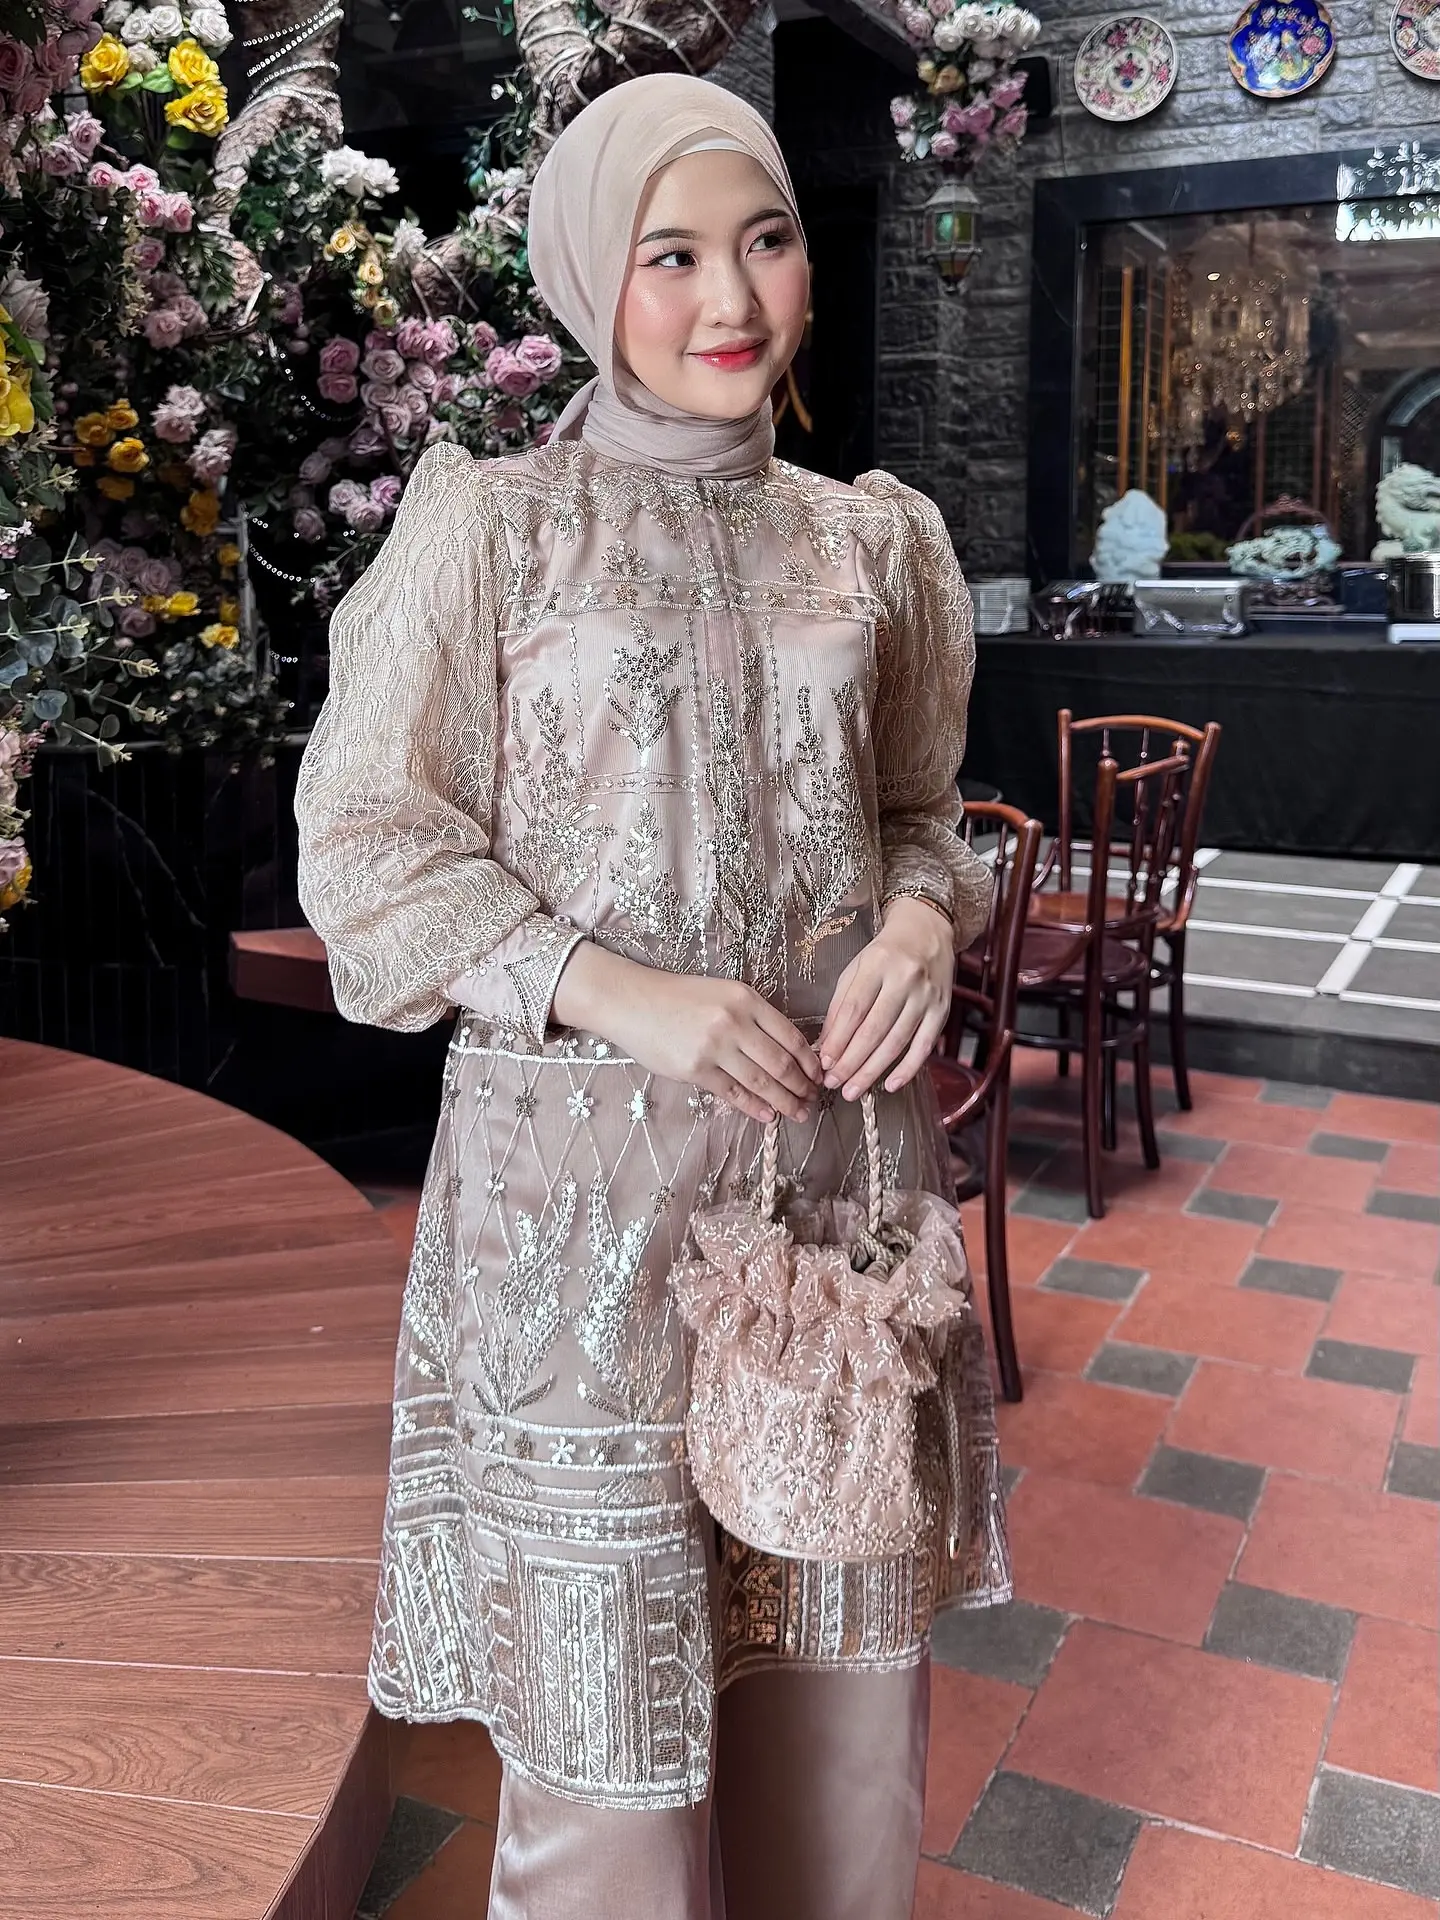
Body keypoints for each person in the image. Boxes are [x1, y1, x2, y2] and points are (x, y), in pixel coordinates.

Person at [295, 71, 1010, 1920]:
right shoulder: (494, 532)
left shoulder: (870, 542)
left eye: (764, 241)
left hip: (834, 1205)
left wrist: (921, 926)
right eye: (670, 254)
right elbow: (369, 852)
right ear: (585, 273)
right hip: (581, 1231)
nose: (731, 299)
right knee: (605, 1771)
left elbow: (919, 816)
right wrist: (620, 990)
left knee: (836, 1722)